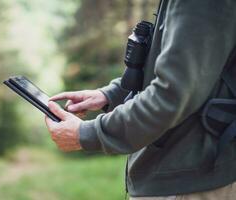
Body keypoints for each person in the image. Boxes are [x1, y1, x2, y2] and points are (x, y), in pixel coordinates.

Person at [44, 0, 236, 199]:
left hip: (188, 182)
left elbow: (170, 97)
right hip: (180, 175)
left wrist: (87, 133)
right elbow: (185, 71)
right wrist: (110, 95)